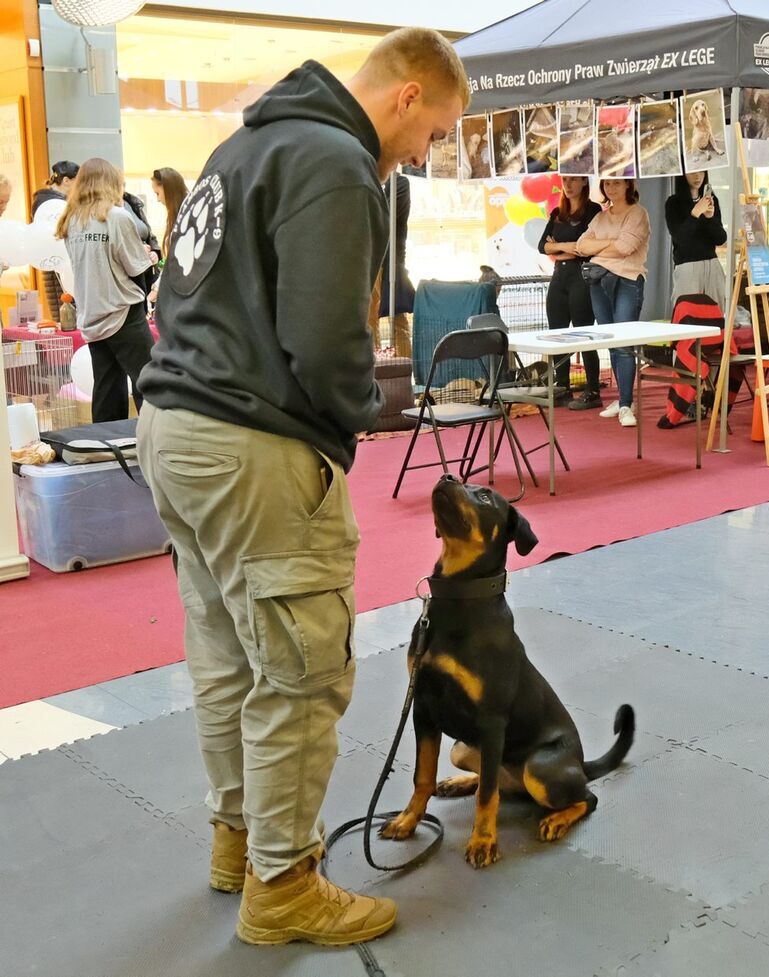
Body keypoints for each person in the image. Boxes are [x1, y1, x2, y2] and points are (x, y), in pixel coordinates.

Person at [135, 28, 468, 947]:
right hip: (253, 446)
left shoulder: (242, 146)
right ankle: (283, 883)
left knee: (228, 655)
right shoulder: (334, 160)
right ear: (406, 97)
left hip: (174, 427)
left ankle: (239, 843)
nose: (423, 154)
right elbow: (326, 346)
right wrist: (364, 405)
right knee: (301, 668)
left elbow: (174, 299)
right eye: (434, 133)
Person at [54, 158, 157, 422]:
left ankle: (107, 446)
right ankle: (156, 442)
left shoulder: (71, 221)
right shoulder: (117, 217)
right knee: (148, 383)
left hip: (91, 313)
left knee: (106, 387)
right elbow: (136, 268)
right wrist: (149, 257)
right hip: (123, 310)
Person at [574, 177, 650, 427]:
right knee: (611, 342)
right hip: (598, 280)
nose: (612, 188)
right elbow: (581, 245)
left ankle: (627, 404)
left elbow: (626, 247)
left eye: (617, 183)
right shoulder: (600, 217)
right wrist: (609, 244)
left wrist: (597, 250)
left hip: (628, 278)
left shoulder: (637, 213)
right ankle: (622, 398)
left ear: (629, 185)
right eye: (607, 184)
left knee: (624, 343)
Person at [539, 175, 604, 408]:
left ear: (584, 183)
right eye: (565, 180)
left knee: (583, 333)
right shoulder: (558, 213)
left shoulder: (593, 210)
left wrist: (558, 247)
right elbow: (542, 246)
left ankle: (593, 389)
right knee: (557, 334)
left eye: (574, 180)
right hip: (559, 276)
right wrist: (568, 249)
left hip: (581, 275)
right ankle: (562, 386)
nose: (568, 185)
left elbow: (587, 248)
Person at [665, 169, 727, 310]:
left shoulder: (711, 200)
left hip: (712, 264)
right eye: (692, 171)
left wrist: (710, 218)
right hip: (687, 266)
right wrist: (695, 213)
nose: (697, 176)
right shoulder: (673, 203)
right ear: (682, 174)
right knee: (687, 314)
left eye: (701, 171)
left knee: (716, 315)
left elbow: (721, 238)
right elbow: (680, 239)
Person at [374, 172, 416, 359]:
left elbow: (384, 218)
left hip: (391, 263)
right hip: (372, 263)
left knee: (398, 320)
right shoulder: (368, 180)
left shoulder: (398, 183)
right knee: (369, 321)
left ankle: (404, 370)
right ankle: (375, 371)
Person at [32, 160, 79, 320]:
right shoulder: (51, 204)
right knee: (65, 315)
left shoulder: (46, 200)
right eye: (77, 182)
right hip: (56, 263)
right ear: (66, 181)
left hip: (59, 263)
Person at [147, 167, 189, 305]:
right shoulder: (179, 214)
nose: (158, 199)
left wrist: (157, 288)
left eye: (157, 193)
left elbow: (176, 260)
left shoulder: (186, 216)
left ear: (167, 188)